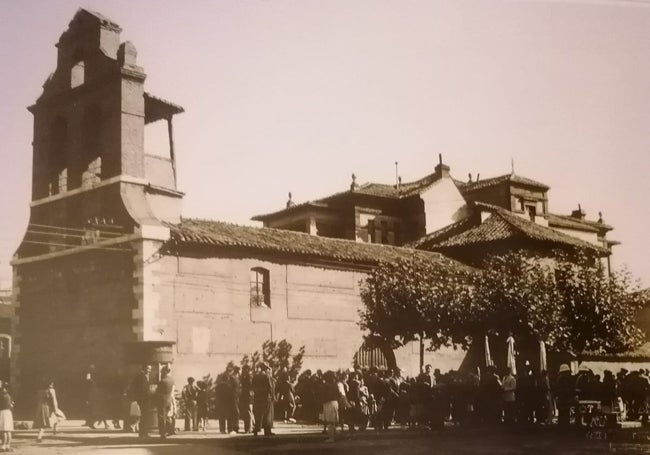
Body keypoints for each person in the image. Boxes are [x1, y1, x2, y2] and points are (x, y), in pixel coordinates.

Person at [252, 362, 275, 436]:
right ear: (265, 369)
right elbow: (270, 387)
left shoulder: (255, 377)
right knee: (267, 415)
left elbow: (252, 387)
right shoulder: (266, 376)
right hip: (265, 398)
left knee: (258, 414)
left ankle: (256, 429)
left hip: (257, 398)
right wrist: (271, 395)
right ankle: (267, 431)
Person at [130, 364, 152, 438]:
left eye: (150, 369)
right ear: (144, 369)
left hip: (142, 399)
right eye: (148, 369)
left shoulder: (141, 376)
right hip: (144, 399)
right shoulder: (141, 377)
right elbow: (143, 389)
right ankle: (144, 432)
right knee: (145, 416)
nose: (150, 371)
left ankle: (142, 432)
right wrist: (150, 394)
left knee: (143, 416)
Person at [155, 366, 175, 439]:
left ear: (165, 372)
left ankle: (162, 433)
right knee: (166, 416)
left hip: (162, 400)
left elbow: (157, 391)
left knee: (161, 417)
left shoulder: (163, 381)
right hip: (169, 399)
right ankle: (170, 430)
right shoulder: (172, 380)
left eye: (162, 371)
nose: (161, 373)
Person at [322, 371, 340, 442]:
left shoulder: (326, 386)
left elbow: (326, 395)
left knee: (330, 422)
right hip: (335, 402)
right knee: (333, 421)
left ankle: (331, 438)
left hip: (329, 403)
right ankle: (336, 433)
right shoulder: (335, 385)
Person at [240, 365, 255, 433]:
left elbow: (250, 388)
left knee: (248, 413)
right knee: (248, 413)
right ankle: (249, 428)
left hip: (248, 398)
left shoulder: (248, 377)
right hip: (247, 397)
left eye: (244, 370)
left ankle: (249, 428)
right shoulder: (245, 377)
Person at [0, 382, 14, 452]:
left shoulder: (2, 396)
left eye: (4, 388)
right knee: (8, 431)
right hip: (9, 413)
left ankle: (3, 446)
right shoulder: (9, 396)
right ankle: (8, 445)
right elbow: (12, 406)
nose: (3, 389)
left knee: (3, 431)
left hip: (3, 412)